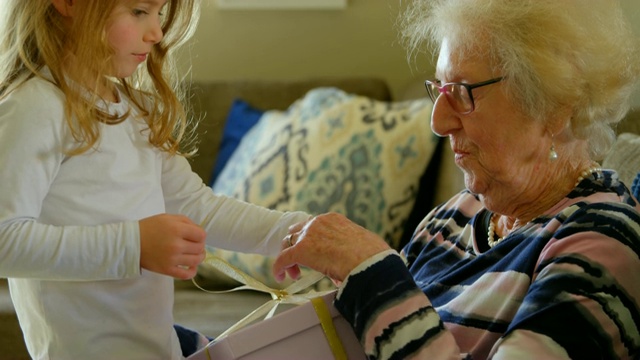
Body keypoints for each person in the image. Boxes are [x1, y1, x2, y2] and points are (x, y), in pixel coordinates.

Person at [273, 0, 640, 359]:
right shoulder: (452, 218)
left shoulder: (604, 243)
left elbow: (391, 306)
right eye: (439, 89)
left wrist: (373, 276)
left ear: (553, 105)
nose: (438, 122)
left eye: (463, 92)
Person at [0, 0, 309, 359]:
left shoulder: (137, 111)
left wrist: (299, 233)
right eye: (138, 12)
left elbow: (198, 207)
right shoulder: (34, 107)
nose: (157, 33)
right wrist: (135, 246)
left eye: (158, 14)